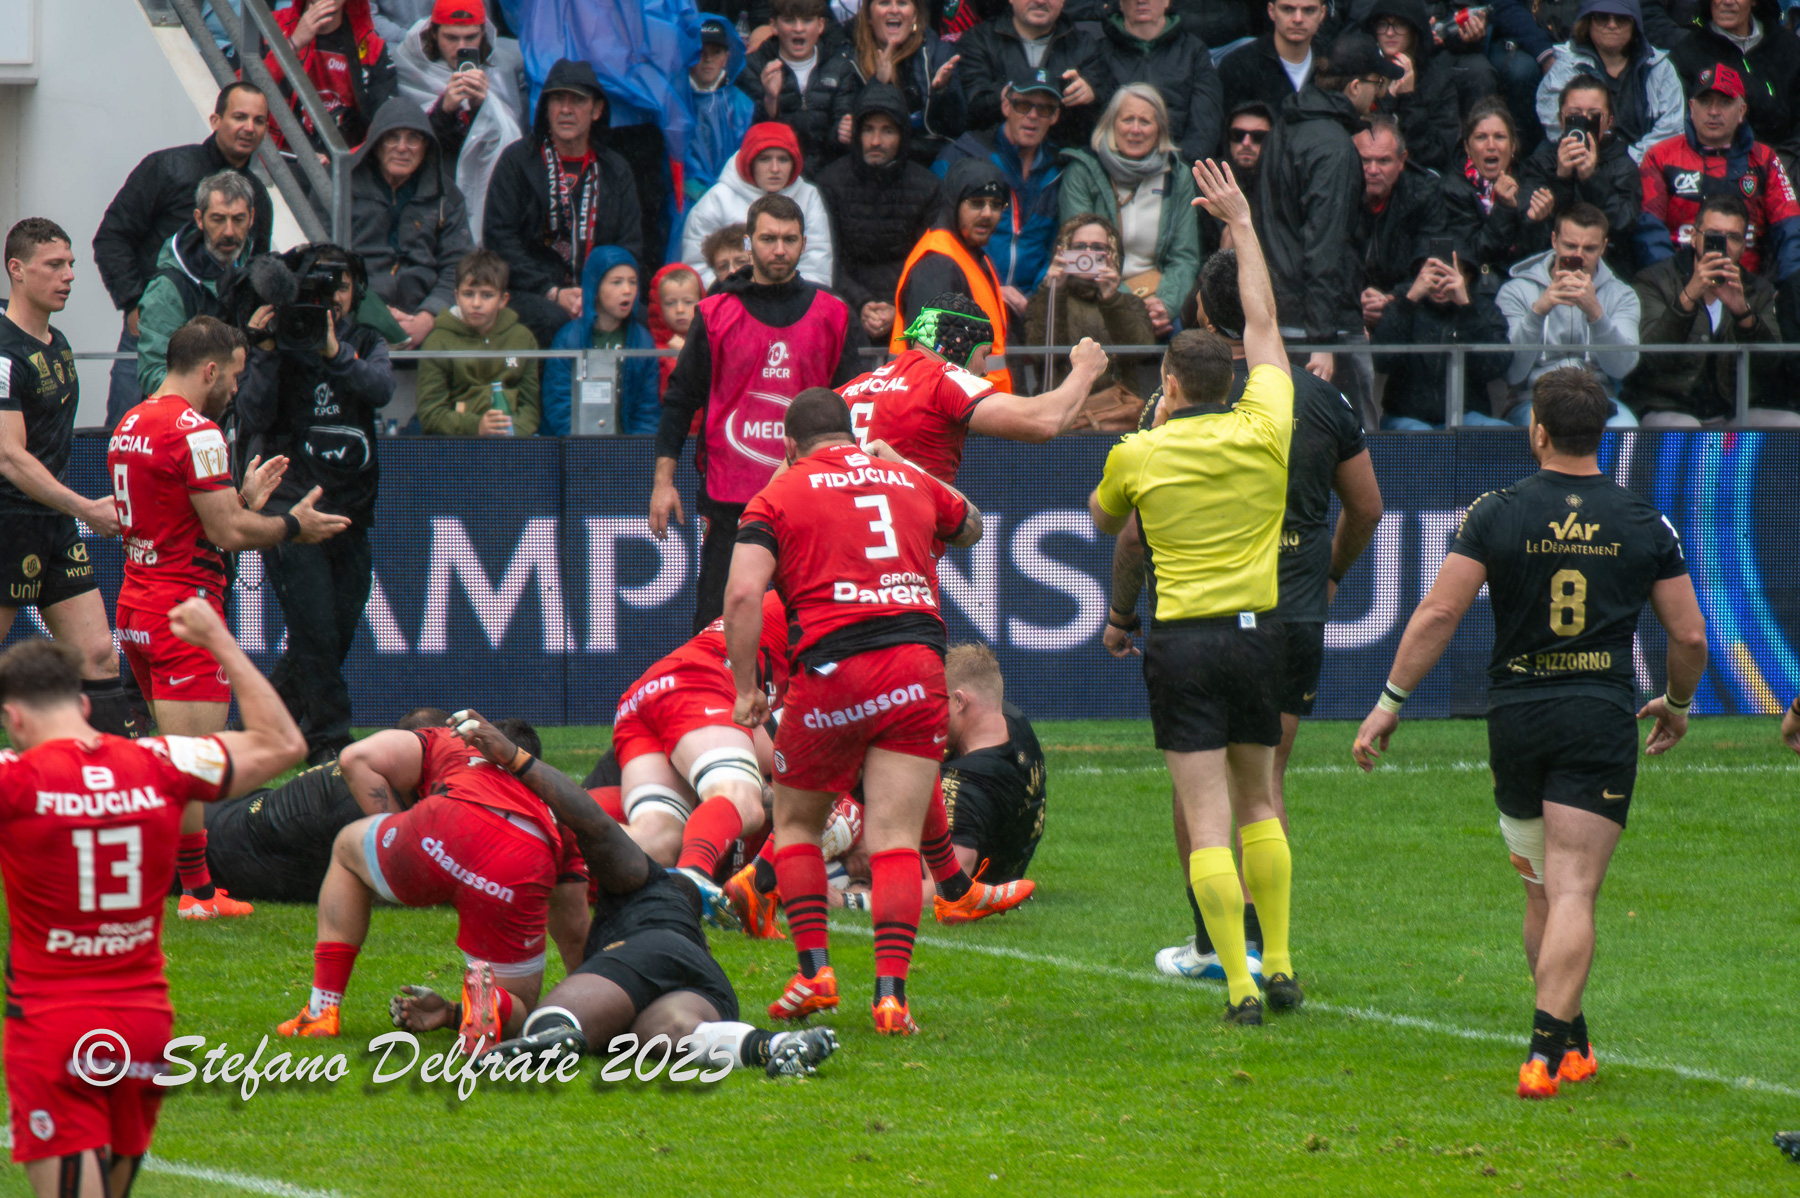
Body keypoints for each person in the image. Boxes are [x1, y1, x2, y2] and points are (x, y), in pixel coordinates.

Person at [1352, 366, 1708, 1100]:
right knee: (1575, 890)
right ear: (1602, 433)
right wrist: (1676, 700)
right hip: (1596, 714)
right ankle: (1545, 1054)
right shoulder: (1645, 522)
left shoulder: (1495, 510)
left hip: (1515, 716)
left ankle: (1571, 1045)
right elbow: (1692, 635)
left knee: (1542, 893)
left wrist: (1390, 702)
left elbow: (1438, 614)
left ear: (1537, 431)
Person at [1114, 235, 1382, 982]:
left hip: (1192, 620)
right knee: (1263, 790)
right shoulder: (1309, 398)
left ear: (1200, 312)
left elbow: (1128, 531)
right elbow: (1366, 508)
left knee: (1199, 790)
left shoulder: (1172, 413)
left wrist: (1120, 615)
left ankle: (1216, 949)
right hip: (1285, 613)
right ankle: (1273, 948)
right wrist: (1329, 576)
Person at [0, 603, 307, 1198]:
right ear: (86, 705)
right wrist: (220, 641)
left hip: (52, 1021)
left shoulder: (18, 779)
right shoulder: (159, 762)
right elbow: (284, 743)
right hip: (143, 1023)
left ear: (13, 720)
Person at [1088, 159, 1298, 1026]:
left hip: (1182, 641)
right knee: (1259, 803)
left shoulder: (1141, 452)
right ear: (1235, 382)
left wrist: (1150, 427)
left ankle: (1240, 985)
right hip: (1258, 636)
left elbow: (1106, 523)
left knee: (1206, 818)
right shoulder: (1268, 424)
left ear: (1171, 387)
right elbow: (1264, 319)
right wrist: (1242, 226)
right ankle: (1280, 962)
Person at [723, 388, 985, 1034]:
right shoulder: (900, 475)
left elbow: (740, 594)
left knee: (796, 826)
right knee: (896, 839)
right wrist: (909, 466)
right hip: (918, 662)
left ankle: (815, 971)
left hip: (835, 667)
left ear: (788, 446)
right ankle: (891, 998)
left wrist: (744, 686)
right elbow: (972, 526)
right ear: (851, 433)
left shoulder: (778, 493)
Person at [433, 712, 841, 1080]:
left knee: (555, 1020)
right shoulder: (633, 906)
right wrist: (454, 1014)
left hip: (645, 953)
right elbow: (586, 959)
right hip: (703, 985)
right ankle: (771, 1045)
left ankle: (549, 1040)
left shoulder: (641, 880)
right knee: (670, 1032)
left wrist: (515, 760)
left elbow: (596, 826)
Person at [110, 317, 351, 919]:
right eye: (236, 376)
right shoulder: (197, 430)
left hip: (138, 604)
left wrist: (242, 497)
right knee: (193, 763)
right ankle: (192, 892)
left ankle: (186, 885)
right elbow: (227, 533)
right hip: (183, 612)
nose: (238, 389)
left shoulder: (131, 420)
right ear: (211, 370)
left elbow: (183, 518)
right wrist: (295, 526)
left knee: (172, 757)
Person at [277, 716, 591, 1046]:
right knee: (520, 1011)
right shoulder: (561, 804)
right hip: (520, 860)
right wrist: (590, 1001)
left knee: (346, 849)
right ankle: (490, 1000)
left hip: (443, 828)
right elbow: (573, 929)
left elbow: (355, 757)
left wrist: (393, 827)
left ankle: (321, 1011)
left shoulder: (452, 741)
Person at [651, 195, 860, 631]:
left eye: (789, 239)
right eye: (768, 238)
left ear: (804, 243)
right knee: (716, 630)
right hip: (730, 503)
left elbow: (854, 406)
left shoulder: (835, 314)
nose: (779, 249)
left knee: (811, 631)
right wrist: (662, 483)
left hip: (812, 501)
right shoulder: (713, 314)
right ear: (749, 244)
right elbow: (680, 399)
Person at [232, 246, 394, 764]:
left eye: (341, 287)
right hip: (292, 510)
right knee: (315, 628)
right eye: (319, 290)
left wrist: (333, 351)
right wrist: (265, 348)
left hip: (352, 512)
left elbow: (381, 388)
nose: (332, 299)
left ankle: (264, 723)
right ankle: (327, 738)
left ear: (356, 292)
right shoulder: (278, 343)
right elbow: (252, 413)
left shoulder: (366, 341)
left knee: (333, 633)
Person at [0, 221, 136, 740]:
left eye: (71, 264)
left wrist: (68, 512)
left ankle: (114, 784)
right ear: (17, 269)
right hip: (8, 521)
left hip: (52, 524)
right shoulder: (4, 353)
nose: (70, 276)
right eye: (55, 265)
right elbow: (9, 458)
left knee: (98, 654)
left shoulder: (58, 343)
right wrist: (85, 508)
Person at [93, 82, 274, 428]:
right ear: (215, 119)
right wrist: (133, 301)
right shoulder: (166, 167)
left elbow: (255, 270)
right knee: (129, 432)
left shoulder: (259, 200)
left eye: (259, 120)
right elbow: (112, 237)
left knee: (207, 449)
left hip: (220, 346)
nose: (249, 127)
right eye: (239, 116)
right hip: (152, 330)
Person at [605, 590, 788, 925]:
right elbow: (791, 751)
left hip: (651, 692)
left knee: (658, 841)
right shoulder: (833, 602)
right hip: (700, 681)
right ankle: (690, 880)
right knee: (744, 799)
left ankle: (536, 833)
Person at [1257, 31, 1401, 416]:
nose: (1381, 94)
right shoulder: (1334, 147)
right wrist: (1324, 340)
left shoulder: (1285, 128)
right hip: (1323, 326)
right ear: (1354, 86)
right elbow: (1324, 246)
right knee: (1357, 447)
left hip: (1280, 313)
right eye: (1378, 83)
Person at [848, 290, 1110, 479]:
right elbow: (1045, 421)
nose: (985, 370)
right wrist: (1086, 369)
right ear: (960, 345)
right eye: (984, 355)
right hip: (901, 539)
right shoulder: (942, 378)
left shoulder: (851, 389)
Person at [200, 707, 451, 903]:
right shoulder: (357, 809)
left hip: (231, 811)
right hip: (213, 850)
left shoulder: (377, 771)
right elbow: (402, 889)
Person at [482, 58, 642, 348]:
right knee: (551, 319)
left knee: (638, 321)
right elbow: (500, 240)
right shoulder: (517, 161)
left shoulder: (615, 169)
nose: (566, 109)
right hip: (530, 292)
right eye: (557, 99)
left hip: (600, 292)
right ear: (545, 107)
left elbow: (629, 243)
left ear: (596, 110)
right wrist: (551, 291)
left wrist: (599, 292)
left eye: (577, 100)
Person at [1624, 194, 1796, 425]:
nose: (1723, 245)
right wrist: (1689, 295)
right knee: (1685, 428)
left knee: (1791, 424)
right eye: (1714, 236)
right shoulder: (1654, 280)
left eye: (1733, 237)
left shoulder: (1758, 289)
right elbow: (1650, 359)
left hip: (1733, 410)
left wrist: (1742, 313)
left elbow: (1771, 368)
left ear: (1744, 246)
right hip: (1669, 406)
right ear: (1693, 237)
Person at [1635, 62, 1800, 283]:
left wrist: (1788, 291)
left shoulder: (1765, 159)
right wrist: (1673, 288)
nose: (1713, 112)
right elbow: (1649, 231)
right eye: (1705, 102)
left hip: (1750, 289)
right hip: (1679, 285)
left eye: (1724, 102)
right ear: (1691, 107)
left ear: (1741, 110)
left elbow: (1791, 230)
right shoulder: (1659, 156)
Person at [1058, 84, 1200, 339]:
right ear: (1111, 124)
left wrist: (1165, 305)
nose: (1135, 129)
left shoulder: (1178, 177)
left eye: (1145, 121)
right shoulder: (1082, 172)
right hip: (1097, 294)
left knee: (1186, 336)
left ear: (1160, 129)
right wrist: (1130, 306)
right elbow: (1079, 256)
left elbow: (1185, 256)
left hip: (1158, 295)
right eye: (1127, 120)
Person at [815, 82, 945, 345]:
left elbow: (928, 262)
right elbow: (829, 258)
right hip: (846, 301)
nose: (876, 141)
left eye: (887, 131)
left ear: (902, 135)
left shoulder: (927, 186)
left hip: (909, 303)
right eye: (868, 130)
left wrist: (896, 307)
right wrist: (862, 304)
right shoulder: (830, 182)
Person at [932, 77, 1068, 323]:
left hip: (1034, 309)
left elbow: (1059, 243)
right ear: (1005, 106)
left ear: (1055, 116)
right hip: (970, 301)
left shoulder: (1061, 169)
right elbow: (938, 233)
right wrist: (988, 285)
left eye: (1044, 108)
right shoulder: (962, 157)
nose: (1033, 115)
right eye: (1023, 105)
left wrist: (1037, 298)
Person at [390, 0, 527, 237]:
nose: (461, 47)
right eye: (451, 38)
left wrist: (480, 108)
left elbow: (512, 140)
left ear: (484, 34)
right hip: (426, 190)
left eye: (471, 37)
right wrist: (443, 110)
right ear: (433, 33)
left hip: (485, 185)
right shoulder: (409, 66)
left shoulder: (500, 69)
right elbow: (405, 143)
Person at [1498, 204, 1642, 426]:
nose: (1578, 256)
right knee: (1542, 429)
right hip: (1535, 400)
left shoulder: (1622, 295)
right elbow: (1513, 373)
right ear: (1554, 241)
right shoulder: (1516, 291)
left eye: (1589, 248)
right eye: (1570, 246)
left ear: (1603, 247)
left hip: (1599, 400)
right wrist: (1538, 311)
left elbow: (1622, 368)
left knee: (1626, 427)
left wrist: (1596, 313)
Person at [348, 98, 474, 350]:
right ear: (375, 143)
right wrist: (372, 313)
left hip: (428, 322)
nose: (402, 148)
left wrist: (428, 317)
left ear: (426, 145)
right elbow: (325, 255)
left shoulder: (447, 196)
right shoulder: (339, 187)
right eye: (392, 137)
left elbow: (458, 266)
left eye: (413, 138)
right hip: (355, 315)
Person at [893, 159, 1017, 391]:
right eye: (977, 203)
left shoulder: (972, 256)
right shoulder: (937, 265)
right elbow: (930, 368)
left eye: (996, 204)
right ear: (954, 203)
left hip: (982, 412)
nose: (988, 214)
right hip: (956, 416)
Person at [133, 171, 259, 396]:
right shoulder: (169, 288)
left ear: (252, 217)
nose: (229, 231)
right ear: (199, 219)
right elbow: (153, 375)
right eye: (218, 219)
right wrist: (216, 397)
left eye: (238, 219)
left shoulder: (258, 271)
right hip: (189, 423)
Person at [1023, 216, 1154, 426]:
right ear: (1064, 252)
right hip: (1061, 416)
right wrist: (1054, 292)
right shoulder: (1045, 300)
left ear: (1111, 254)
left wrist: (1112, 300)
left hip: (1117, 415)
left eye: (1097, 248)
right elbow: (1040, 352)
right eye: (1079, 247)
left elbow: (1142, 351)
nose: (1088, 255)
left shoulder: (1129, 303)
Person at [936, 642, 1047, 883]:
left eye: (938, 702)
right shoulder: (1014, 720)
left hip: (975, 879)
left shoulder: (964, 784)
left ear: (959, 701)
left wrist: (853, 900)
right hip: (1008, 870)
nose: (933, 713)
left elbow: (949, 886)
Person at [679, 122, 836, 288]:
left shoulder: (808, 196)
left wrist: (795, 302)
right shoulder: (716, 200)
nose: (775, 168)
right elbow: (697, 265)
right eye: (764, 159)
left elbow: (817, 262)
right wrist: (731, 299)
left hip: (796, 303)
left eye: (783, 159)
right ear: (750, 161)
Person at [1373, 243, 1515, 426]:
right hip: (1407, 417)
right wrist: (1409, 300)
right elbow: (1381, 361)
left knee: (1501, 433)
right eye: (1435, 274)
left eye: (1449, 274)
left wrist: (1466, 307)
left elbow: (1495, 366)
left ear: (1468, 277)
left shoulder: (1483, 310)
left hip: (1466, 415)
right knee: (1421, 437)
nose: (1440, 283)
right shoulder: (1403, 305)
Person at [1516, 77, 1645, 273]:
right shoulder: (1540, 162)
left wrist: (1592, 178)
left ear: (1609, 121)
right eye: (1575, 115)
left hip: (1606, 268)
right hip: (1548, 264)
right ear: (1561, 119)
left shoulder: (1623, 165)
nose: (1585, 122)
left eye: (1594, 115)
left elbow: (1624, 226)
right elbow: (1526, 229)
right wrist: (1562, 178)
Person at [1537, 0, 1686, 163]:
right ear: (1588, 22)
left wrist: (1629, 163)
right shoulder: (1567, 64)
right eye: (1602, 18)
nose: (1612, 25)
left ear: (1634, 24)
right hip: (1580, 161)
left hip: (1646, 166)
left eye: (1621, 19)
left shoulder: (1659, 66)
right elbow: (1554, 120)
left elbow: (1671, 130)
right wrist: (1602, 159)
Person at [416, 248, 542, 436]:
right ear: (456, 296)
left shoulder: (523, 338)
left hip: (513, 443)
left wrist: (512, 432)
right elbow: (430, 412)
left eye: (487, 295)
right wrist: (477, 426)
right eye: (468, 294)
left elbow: (530, 407)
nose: (476, 303)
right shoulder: (437, 341)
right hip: (455, 446)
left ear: (503, 299)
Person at [829, 0, 968, 169]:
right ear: (869, 17)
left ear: (915, 15)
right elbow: (840, 132)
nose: (894, 10)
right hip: (871, 168)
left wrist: (941, 91)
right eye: (884, 3)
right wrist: (877, 83)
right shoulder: (847, 59)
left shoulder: (939, 54)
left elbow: (957, 129)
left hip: (927, 164)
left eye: (902, 3)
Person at [956, 0, 1114, 147]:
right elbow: (970, 107)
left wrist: (1093, 96)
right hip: (993, 154)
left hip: (1059, 161)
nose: (1040, 1)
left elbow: (1108, 108)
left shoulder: (1084, 46)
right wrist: (1006, 96)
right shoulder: (979, 40)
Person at [541, 247, 660, 436]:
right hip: (577, 451)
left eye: (633, 282)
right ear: (595, 288)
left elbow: (648, 411)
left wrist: (637, 452)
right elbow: (558, 404)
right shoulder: (568, 339)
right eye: (616, 282)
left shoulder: (643, 342)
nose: (627, 290)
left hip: (628, 453)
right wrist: (583, 448)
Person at [1444, 99, 1555, 301]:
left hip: (1525, 289)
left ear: (1513, 146)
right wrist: (1504, 209)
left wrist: (1537, 222)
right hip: (1478, 292)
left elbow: (1539, 256)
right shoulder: (1452, 190)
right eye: (1481, 137)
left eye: (1500, 137)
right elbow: (1472, 255)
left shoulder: (1529, 184)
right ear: (1467, 148)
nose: (1491, 146)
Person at [1354, 117, 1451, 335]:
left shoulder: (1424, 194)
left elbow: (1432, 264)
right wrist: (1356, 298)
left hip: (1409, 304)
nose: (1372, 169)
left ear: (1402, 161)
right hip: (1351, 306)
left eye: (1383, 161)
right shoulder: (1340, 192)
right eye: (1364, 160)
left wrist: (1393, 298)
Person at [735, 0, 855, 175]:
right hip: (774, 176)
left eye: (807, 20)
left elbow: (840, 134)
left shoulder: (840, 67)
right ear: (774, 26)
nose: (798, 28)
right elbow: (748, 138)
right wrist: (770, 100)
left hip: (825, 177)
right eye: (789, 20)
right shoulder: (753, 67)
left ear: (821, 25)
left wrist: (845, 133)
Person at [262, 0, 400, 152]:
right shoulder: (270, 25)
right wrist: (293, 44)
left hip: (345, 162)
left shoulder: (371, 46)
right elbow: (243, 90)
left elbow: (383, 124)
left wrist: (347, 160)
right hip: (279, 157)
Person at [1099, 0, 1224, 166]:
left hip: (1178, 168)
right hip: (1113, 167)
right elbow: (1096, 127)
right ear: (1120, 4)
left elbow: (1205, 127)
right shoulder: (1100, 51)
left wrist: (1177, 171)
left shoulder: (1193, 51)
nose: (1141, 1)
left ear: (1167, 2)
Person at [1670, 0, 1800, 156]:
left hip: (1787, 162)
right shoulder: (1686, 55)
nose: (1727, 2)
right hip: (1719, 166)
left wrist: (1783, 162)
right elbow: (1683, 129)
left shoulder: (1788, 46)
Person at [677, 17, 758, 229]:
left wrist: (722, 194)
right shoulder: (672, 102)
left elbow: (746, 161)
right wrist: (692, 188)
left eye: (716, 52)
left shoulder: (743, 106)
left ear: (726, 57)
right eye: (701, 52)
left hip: (734, 205)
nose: (708, 60)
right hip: (683, 205)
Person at [1362, 0, 1461, 171]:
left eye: (1399, 25)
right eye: (1383, 24)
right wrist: (1388, 99)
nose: (1390, 32)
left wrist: (1409, 98)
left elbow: (1435, 154)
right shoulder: (1362, 74)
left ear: (1414, 31)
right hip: (1372, 172)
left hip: (1420, 179)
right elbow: (1366, 144)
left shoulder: (1438, 80)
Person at [1216, 0, 1329, 113]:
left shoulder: (1333, 65)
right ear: (1271, 11)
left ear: (1322, 13)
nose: (1298, 19)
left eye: (1309, 10)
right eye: (1287, 9)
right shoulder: (1236, 65)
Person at [648, 263, 703, 396]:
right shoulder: (652, 349)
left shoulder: (713, 342)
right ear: (659, 307)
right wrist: (673, 361)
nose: (680, 310)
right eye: (670, 303)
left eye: (688, 302)